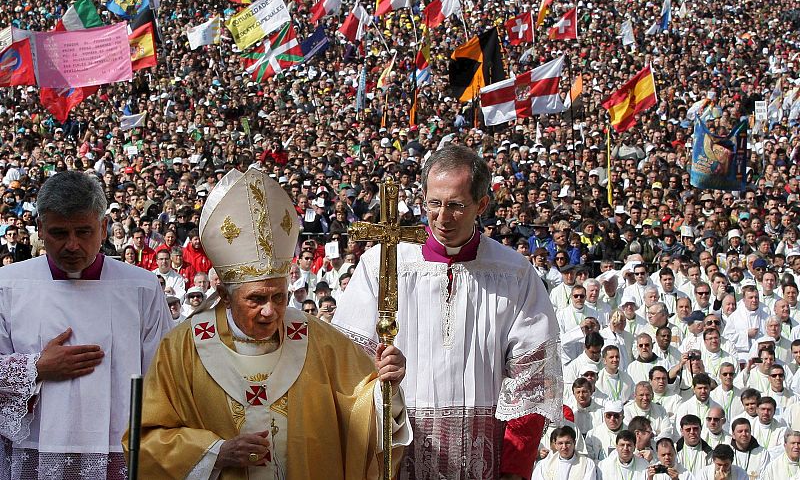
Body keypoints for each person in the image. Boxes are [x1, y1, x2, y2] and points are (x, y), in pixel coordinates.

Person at [131, 167, 411, 478]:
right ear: (224, 294)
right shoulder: (182, 348)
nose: (270, 311)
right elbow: (147, 440)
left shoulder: (315, 336)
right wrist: (214, 453)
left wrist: (387, 387)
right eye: (256, 300)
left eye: (278, 297)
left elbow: (360, 404)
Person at [334, 146, 561, 479]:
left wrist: (514, 469)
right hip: (398, 453)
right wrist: (383, 375)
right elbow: (346, 365)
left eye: (456, 206)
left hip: (483, 463)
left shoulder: (513, 274)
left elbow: (532, 381)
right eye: (434, 204)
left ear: (481, 205)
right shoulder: (382, 264)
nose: (442, 218)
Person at [0, 171, 172, 479]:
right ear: (40, 228)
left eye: (84, 231)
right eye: (58, 233)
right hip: (33, 446)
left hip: (119, 448)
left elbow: (164, 376)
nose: (72, 245)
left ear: (104, 228)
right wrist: (35, 367)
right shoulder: (7, 286)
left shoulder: (141, 288)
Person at [531, 426, 597, 480]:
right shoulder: (544, 465)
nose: (564, 447)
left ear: (574, 443)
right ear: (555, 445)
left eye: (568, 443)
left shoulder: (587, 464)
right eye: (560, 443)